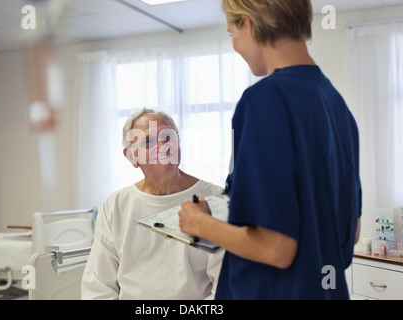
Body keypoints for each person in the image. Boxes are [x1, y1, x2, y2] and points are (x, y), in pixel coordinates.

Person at [178, 0, 362, 300]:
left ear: (247, 24)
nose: (235, 45)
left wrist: (201, 224)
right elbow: (349, 233)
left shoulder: (264, 100)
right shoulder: (337, 107)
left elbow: (276, 248)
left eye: (231, 34)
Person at [81, 108, 224, 299]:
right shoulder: (116, 205)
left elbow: (225, 284)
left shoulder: (214, 199)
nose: (163, 147)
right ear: (132, 157)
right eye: (148, 141)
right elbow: (98, 285)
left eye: (168, 137)